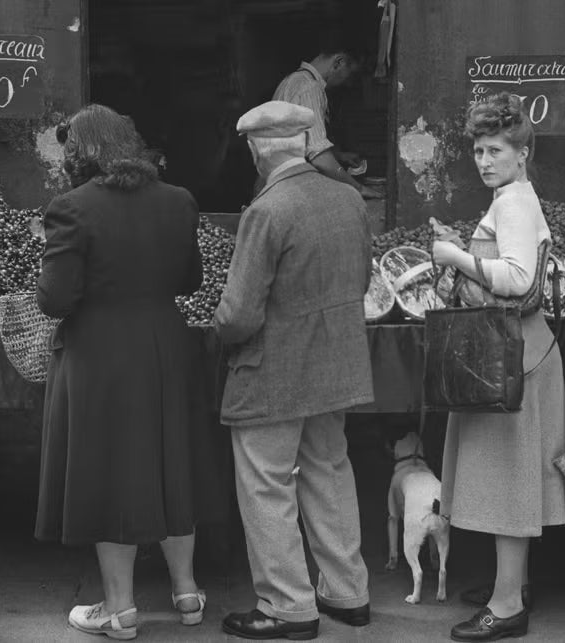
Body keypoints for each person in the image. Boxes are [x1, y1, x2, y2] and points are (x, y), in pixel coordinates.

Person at [35, 104, 214, 639]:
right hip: (167, 345)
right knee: (170, 462)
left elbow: (55, 299)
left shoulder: (70, 207)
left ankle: (120, 609)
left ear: (79, 153)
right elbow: (189, 281)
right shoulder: (178, 200)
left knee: (111, 472)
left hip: (100, 355)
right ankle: (186, 594)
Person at [216, 100, 374, 640]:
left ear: (256, 149)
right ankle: (348, 592)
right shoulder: (348, 199)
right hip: (335, 365)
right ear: (305, 143)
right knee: (329, 471)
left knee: (267, 484)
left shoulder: (268, 209)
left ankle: (287, 605)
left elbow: (238, 314)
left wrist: (217, 331)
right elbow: (359, 282)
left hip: (275, 371)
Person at [431, 93, 565, 641]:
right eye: (478, 151)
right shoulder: (516, 196)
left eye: (495, 150)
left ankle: (507, 604)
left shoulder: (513, 202)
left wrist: (452, 255)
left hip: (514, 359)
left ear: (521, 153)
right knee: (512, 477)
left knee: (508, 480)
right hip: (521, 353)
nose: (484, 161)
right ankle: (514, 584)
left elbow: (513, 279)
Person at [273, 42, 383, 199]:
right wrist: (359, 189)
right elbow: (320, 159)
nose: (348, 83)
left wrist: (338, 155)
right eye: (350, 74)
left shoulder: (291, 81)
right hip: (290, 191)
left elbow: (299, 140)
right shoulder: (309, 88)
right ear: (339, 62)